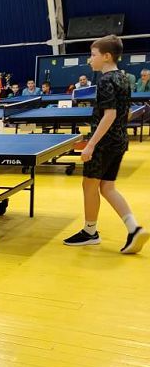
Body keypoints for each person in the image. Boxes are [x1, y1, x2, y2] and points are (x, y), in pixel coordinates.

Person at [63, 35, 147, 254]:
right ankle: (134, 228)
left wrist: (91, 144)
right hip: (119, 140)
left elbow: (109, 114)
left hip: (104, 143)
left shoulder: (105, 80)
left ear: (107, 56)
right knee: (107, 187)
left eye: (93, 55)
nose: (90, 59)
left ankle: (90, 232)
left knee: (89, 185)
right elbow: (125, 113)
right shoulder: (123, 78)